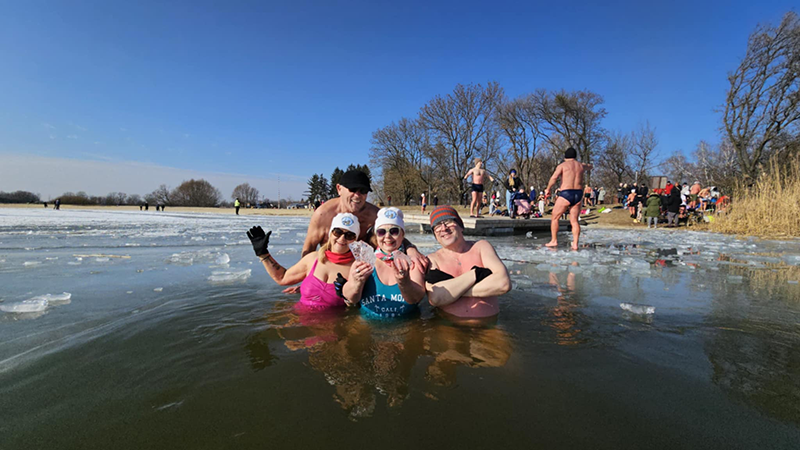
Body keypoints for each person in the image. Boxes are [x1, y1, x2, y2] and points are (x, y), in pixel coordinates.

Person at [300, 168, 427, 267]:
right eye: (353, 189)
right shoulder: (324, 214)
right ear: (339, 189)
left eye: (363, 191)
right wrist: (307, 278)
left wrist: (411, 249)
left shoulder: (374, 215)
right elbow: (308, 250)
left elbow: (395, 235)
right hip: (331, 268)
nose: (357, 195)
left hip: (363, 268)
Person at [247, 213, 360, 310]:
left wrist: (348, 295)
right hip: (298, 322)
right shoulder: (312, 259)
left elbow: (357, 305)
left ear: (356, 240)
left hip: (330, 330)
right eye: (338, 232)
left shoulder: (357, 269)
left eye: (349, 235)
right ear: (330, 234)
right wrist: (263, 254)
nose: (342, 238)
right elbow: (282, 278)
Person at [424, 206, 511, 322]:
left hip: (488, 326)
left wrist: (453, 293)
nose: (444, 228)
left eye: (448, 222)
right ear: (435, 235)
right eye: (437, 226)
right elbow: (435, 298)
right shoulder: (432, 259)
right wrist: (475, 274)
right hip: (448, 327)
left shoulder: (481, 247)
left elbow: (503, 283)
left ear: (461, 226)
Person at [341, 207, 426, 319]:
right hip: (369, 328)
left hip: (404, 327)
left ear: (402, 234)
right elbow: (351, 299)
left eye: (394, 231)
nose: (387, 237)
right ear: (376, 235)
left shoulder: (412, 262)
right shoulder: (365, 261)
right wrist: (357, 283)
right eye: (381, 232)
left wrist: (404, 282)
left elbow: (416, 298)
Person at [544, 147, 592, 250]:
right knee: (574, 221)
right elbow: (590, 166)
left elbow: (554, 178)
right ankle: (575, 244)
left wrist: (548, 189)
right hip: (578, 194)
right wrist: (587, 166)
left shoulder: (562, 165)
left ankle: (554, 240)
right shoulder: (580, 166)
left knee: (555, 217)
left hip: (566, 193)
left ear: (565, 157)